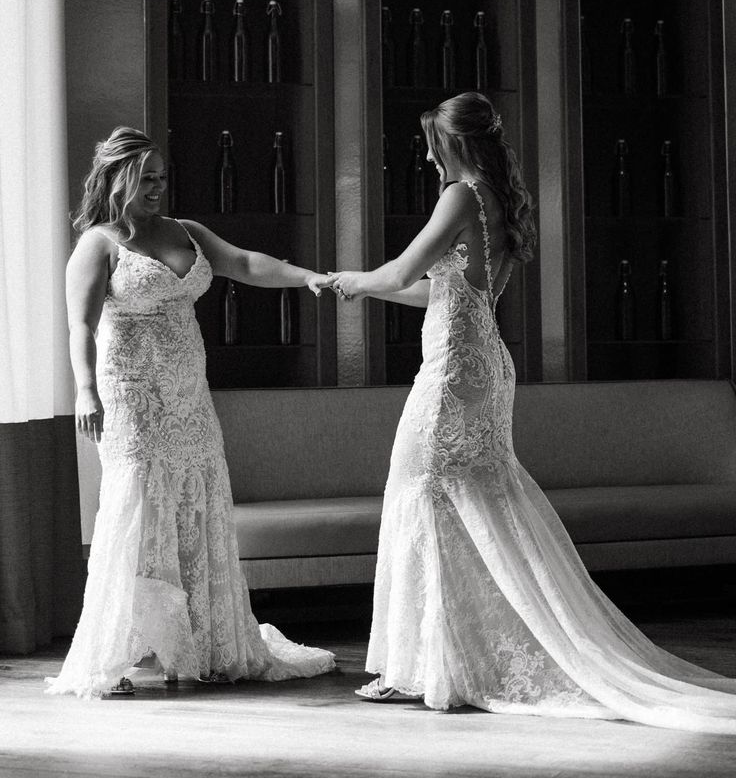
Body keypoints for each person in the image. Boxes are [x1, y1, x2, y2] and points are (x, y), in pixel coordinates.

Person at [326, 91, 736, 733]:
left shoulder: (460, 194)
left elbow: (403, 270)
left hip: (455, 371)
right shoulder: (499, 199)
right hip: (484, 364)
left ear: (455, 145)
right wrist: (369, 287)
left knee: (421, 496)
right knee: (466, 503)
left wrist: (351, 280)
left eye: (435, 147)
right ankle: (437, 660)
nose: (431, 161)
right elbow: (442, 292)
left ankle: (429, 668)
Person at [46, 126, 335, 698]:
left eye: (161, 177)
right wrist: (84, 389)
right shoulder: (98, 244)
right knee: (137, 510)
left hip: (188, 396)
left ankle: (196, 643)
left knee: (192, 504)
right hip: (131, 395)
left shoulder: (187, 232)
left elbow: (247, 264)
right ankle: (122, 652)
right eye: (146, 178)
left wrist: (309, 278)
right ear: (118, 178)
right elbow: (79, 324)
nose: (157, 188)